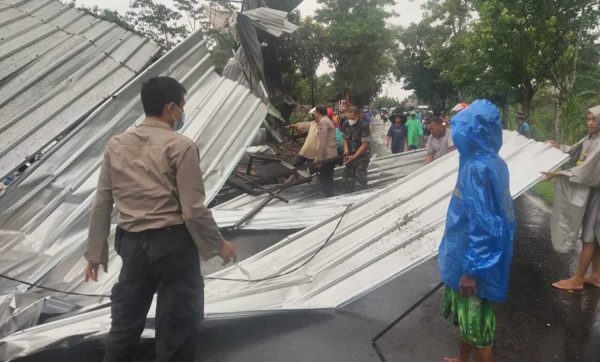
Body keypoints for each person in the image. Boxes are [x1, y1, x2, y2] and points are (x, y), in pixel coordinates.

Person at [84, 76, 237, 361]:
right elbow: (193, 210)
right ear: (170, 108)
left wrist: (94, 254)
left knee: (124, 329)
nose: (182, 113)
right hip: (173, 247)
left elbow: (102, 202)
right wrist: (219, 245)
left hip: (132, 248)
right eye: (182, 106)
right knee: (176, 330)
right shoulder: (181, 146)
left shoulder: (116, 145)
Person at [438, 99, 516, 362]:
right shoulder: (488, 161)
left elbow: (485, 224)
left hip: (473, 262)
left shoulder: (477, 168)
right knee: (467, 320)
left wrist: (472, 270)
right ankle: (462, 359)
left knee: (478, 325)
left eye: (462, 126)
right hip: (470, 256)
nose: (456, 132)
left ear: (474, 130)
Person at [542, 105, 600, 291]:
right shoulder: (590, 138)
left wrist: (558, 173)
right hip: (591, 190)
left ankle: (577, 279)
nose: (590, 123)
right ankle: (597, 275)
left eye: (594, 120)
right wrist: (558, 147)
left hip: (597, 193)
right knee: (595, 235)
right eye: (588, 119)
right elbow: (574, 151)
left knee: (589, 235)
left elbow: (585, 169)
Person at [342, 106, 371, 192]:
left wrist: (355, 156)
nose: (348, 114)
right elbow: (345, 138)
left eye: (351, 112)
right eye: (347, 112)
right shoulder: (345, 124)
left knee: (360, 182)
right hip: (350, 155)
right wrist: (346, 148)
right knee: (347, 181)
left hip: (362, 156)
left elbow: (365, 144)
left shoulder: (363, 125)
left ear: (357, 115)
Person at [314, 105, 338, 197]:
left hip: (327, 155)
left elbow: (323, 141)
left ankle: (328, 197)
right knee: (328, 176)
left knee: (325, 177)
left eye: (315, 112)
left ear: (318, 113)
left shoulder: (323, 122)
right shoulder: (328, 120)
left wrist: (319, 158)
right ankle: (329, 195)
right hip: (331, 153)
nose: (314, 114)